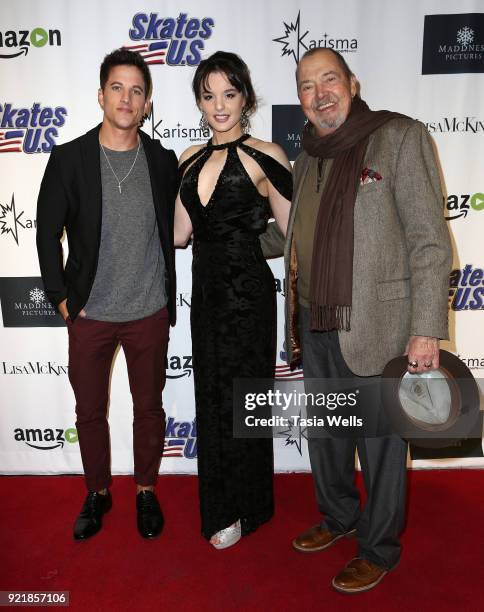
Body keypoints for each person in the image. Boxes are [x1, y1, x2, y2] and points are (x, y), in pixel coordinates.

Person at [268, 48, 451, 592]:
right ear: (299, 98)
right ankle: (339, 516)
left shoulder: (398, 137)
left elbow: (429, 240)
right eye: (306, 85)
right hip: (315, 323)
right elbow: (287, 237)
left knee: (380, 445)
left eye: (329, 80)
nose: (319, 93)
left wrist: (425, 329)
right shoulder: (303, 160)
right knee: (327, 438)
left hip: (381, 324)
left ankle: (379, 548)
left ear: (352, 82)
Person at [36, 48, 178, 541]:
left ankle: (145, 490)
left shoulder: (162, 161)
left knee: (149, 409)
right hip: (90, 313)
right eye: (117, 87)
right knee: (89, 412)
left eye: (137, 90)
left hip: (148, 313)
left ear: (147, 103)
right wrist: (60, 299)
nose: (126, 97)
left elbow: (179, 228)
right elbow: (45, 232)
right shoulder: (69, 158)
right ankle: (97, 492)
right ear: (101, 95)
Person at [174, 51, 292, 549]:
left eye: (229, 93)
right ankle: (223, 505)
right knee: (213, 398)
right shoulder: (187, 159)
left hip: (248, 295)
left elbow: (290, 234)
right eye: (208, 95)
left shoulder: (268, 155)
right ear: (199, 102)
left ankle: (250, 505)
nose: (219, 105)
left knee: (245, 398)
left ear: (245, 96)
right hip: (206, 296)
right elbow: (180, 235)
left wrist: (243, 240)